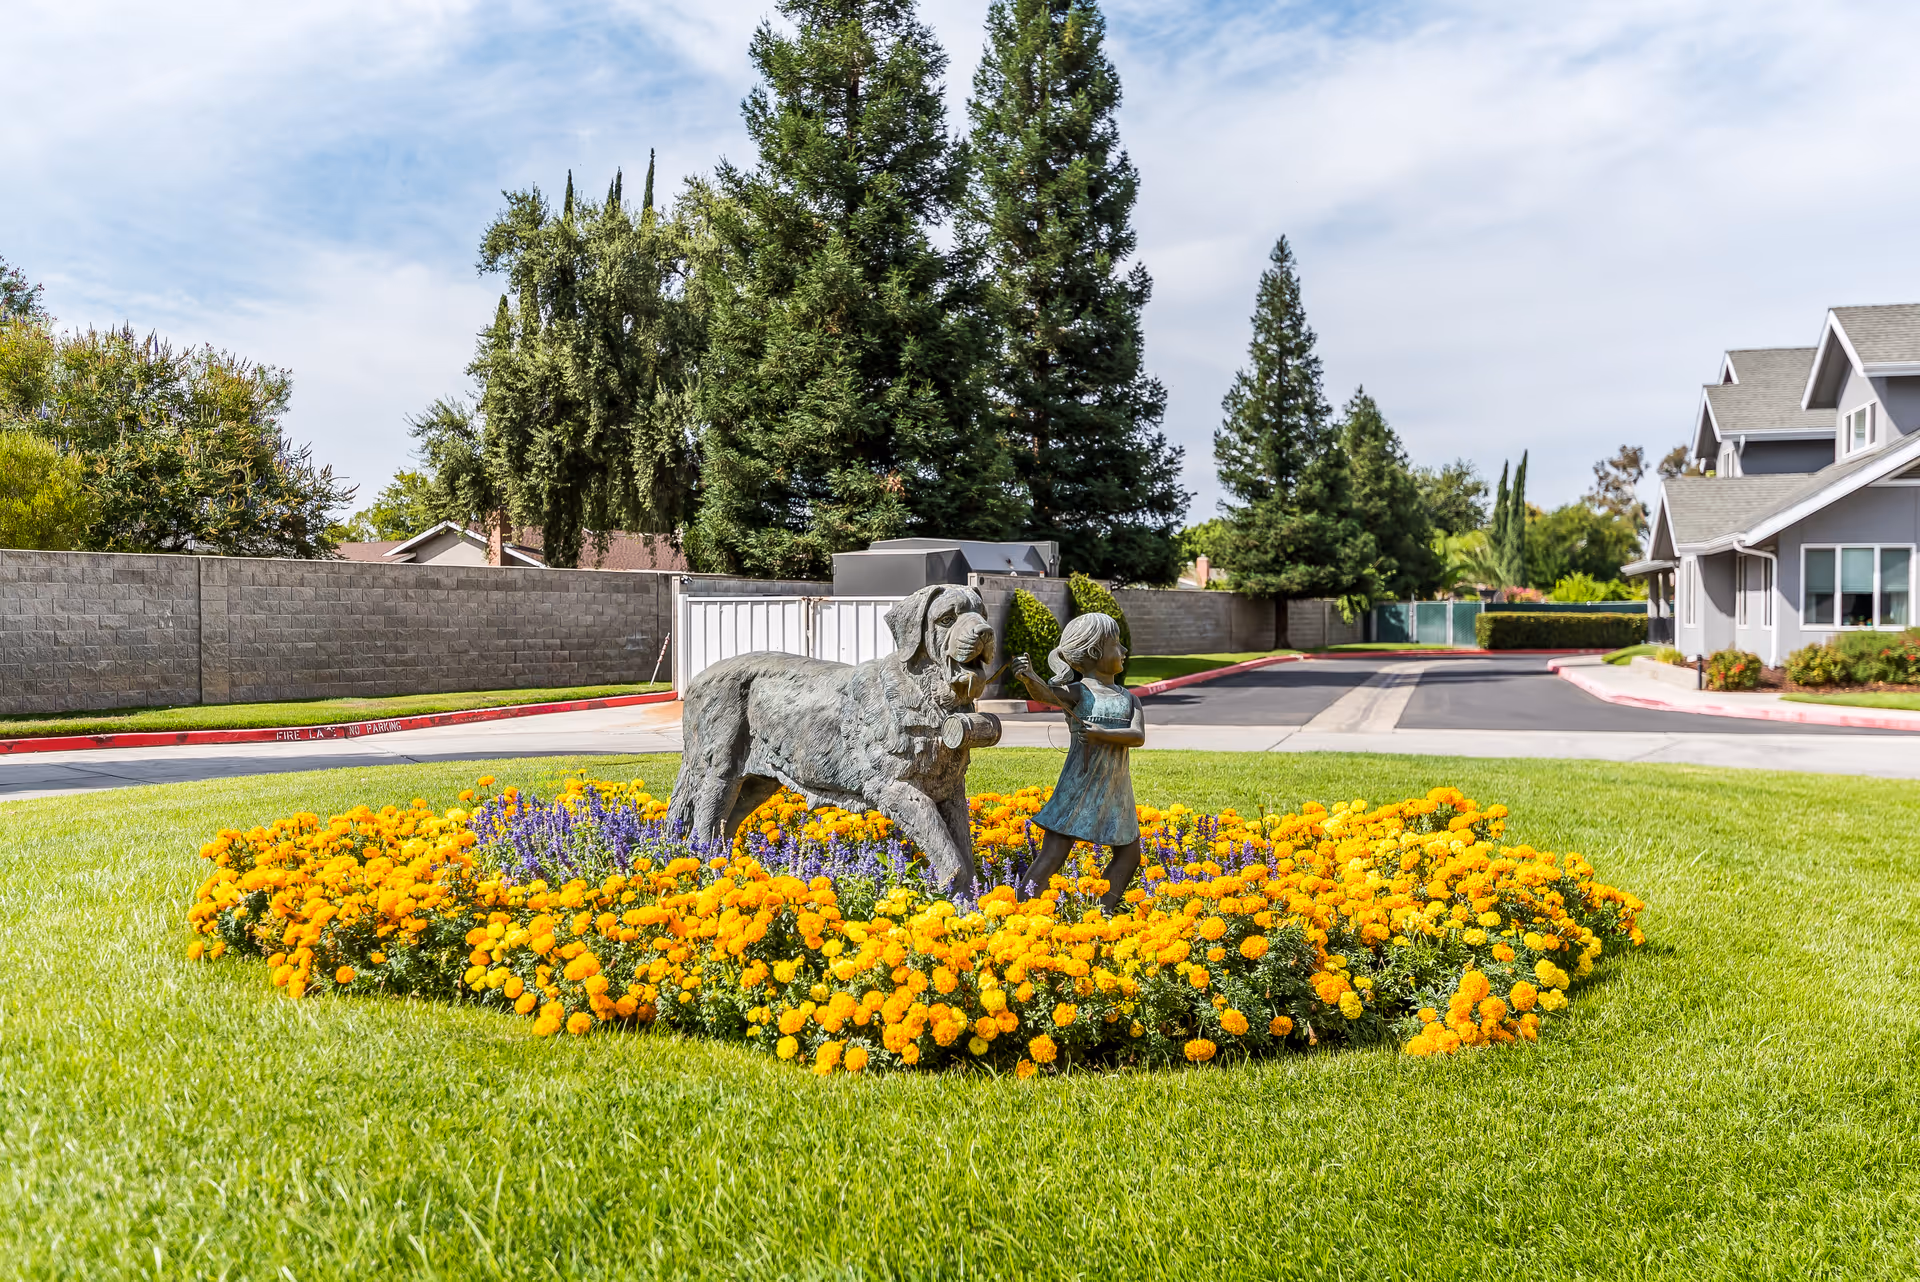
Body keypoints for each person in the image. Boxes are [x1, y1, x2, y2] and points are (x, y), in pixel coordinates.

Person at [1010, 611, 1145, 912]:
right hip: (1079, 784)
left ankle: (1101, 910)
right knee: (1055, 850)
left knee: (1130, 853)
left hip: (1115, 788)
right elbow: (1046, 694)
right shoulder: (1078, 693)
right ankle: (1021, 907)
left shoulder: (1129, 699)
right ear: (1096, 652)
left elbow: (1137, 736)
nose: (1124, 651)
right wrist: (1029, 677)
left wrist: (1101, 736)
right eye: (1117, 645)